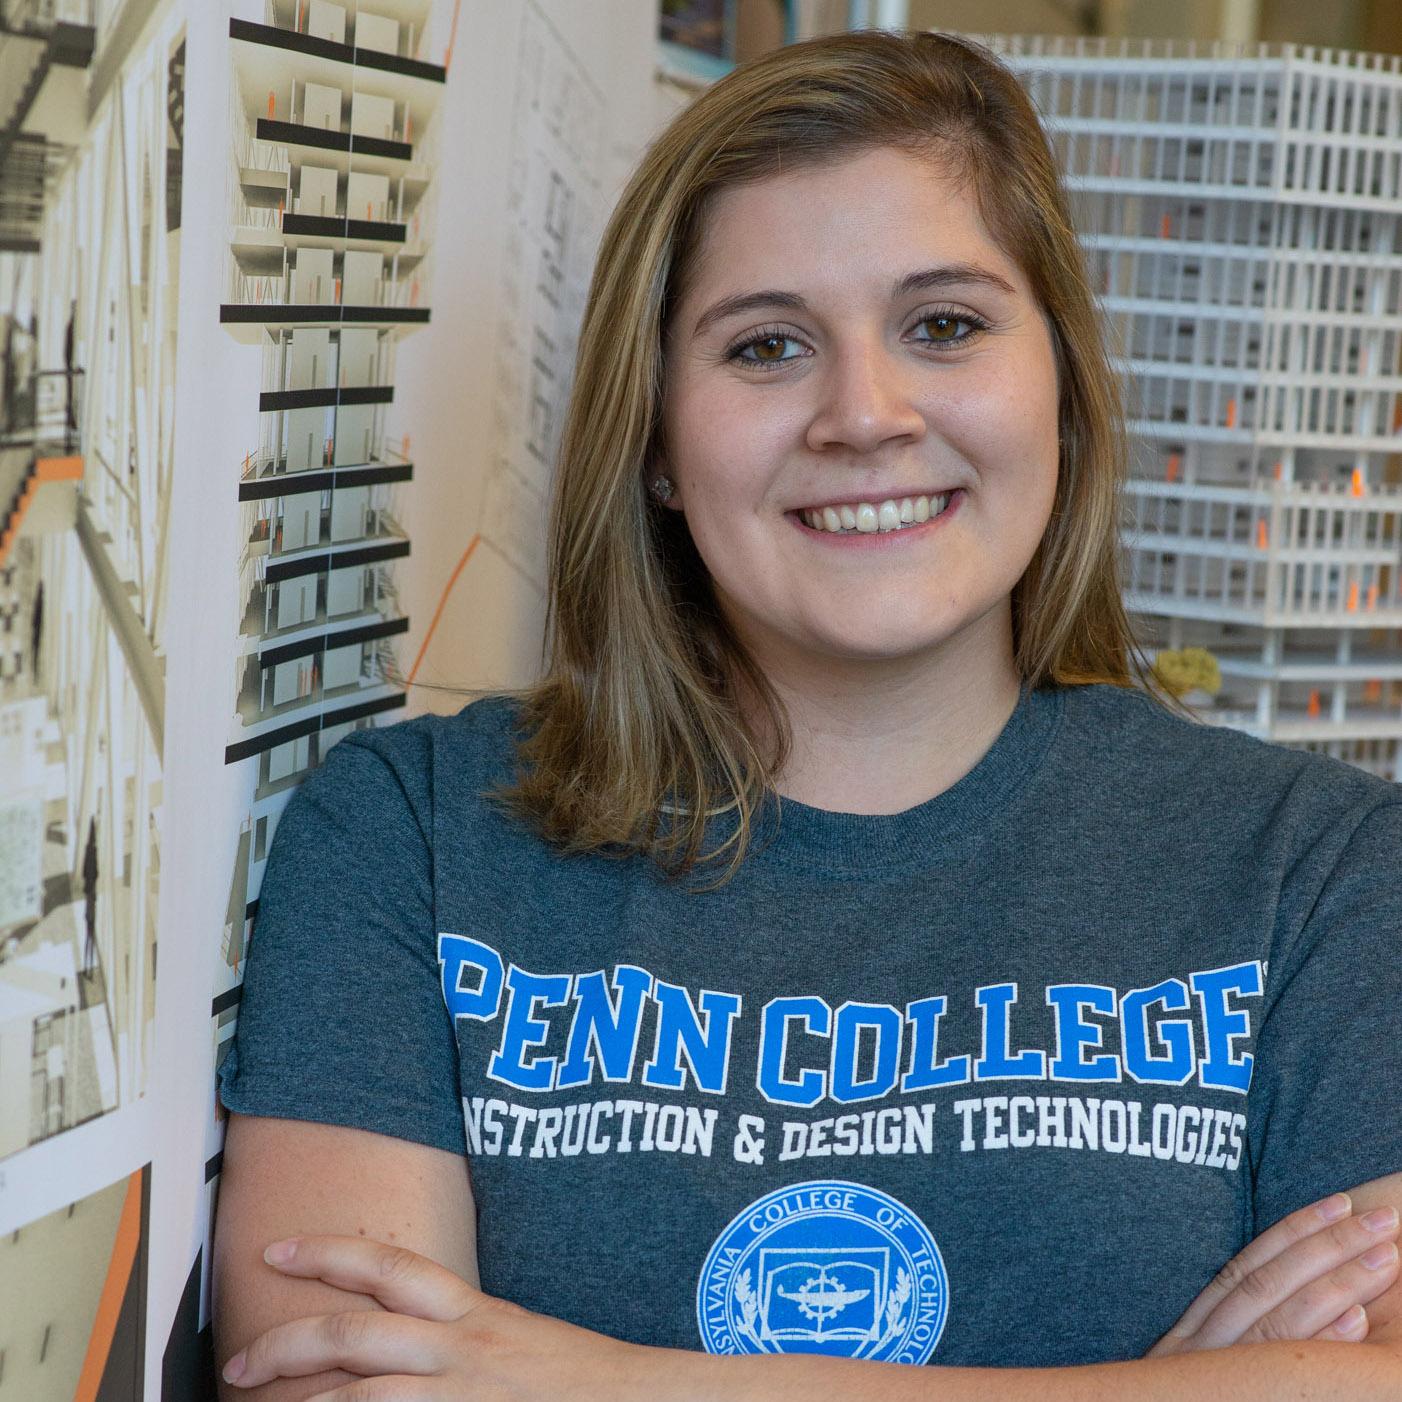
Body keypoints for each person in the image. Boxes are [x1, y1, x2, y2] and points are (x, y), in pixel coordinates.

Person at [212, 29, 1402, 1401]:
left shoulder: (1323, 870)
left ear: (1062, 388)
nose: (864, 415)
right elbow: (332, 1379)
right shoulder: (411, 837)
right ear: (655, 439)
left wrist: (595, 1380)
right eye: (766, 346)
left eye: (943, 325)